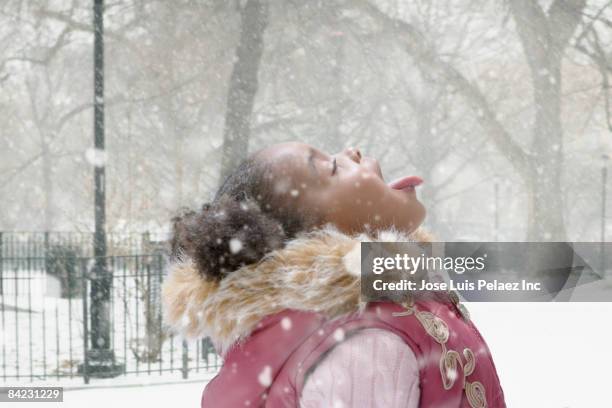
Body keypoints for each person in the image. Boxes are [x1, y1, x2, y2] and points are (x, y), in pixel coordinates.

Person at [162, 142, 506, 407]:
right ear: (318, 233)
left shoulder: (380, 307)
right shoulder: (362, 344)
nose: (352, 151)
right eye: (333, 167)